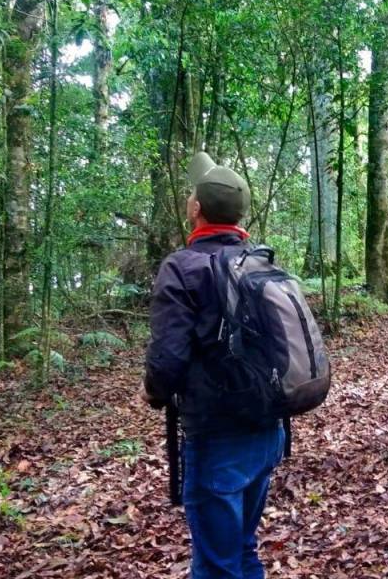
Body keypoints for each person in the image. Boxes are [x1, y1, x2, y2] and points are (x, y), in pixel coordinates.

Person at [141, 151, 285, 579]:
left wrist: (151, 390)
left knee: (214, 566)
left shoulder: (182, 267)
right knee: (242, 550)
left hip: (217, 437)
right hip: (268, 431)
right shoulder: (261, 261)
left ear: (197, 210)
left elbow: (167, 360)